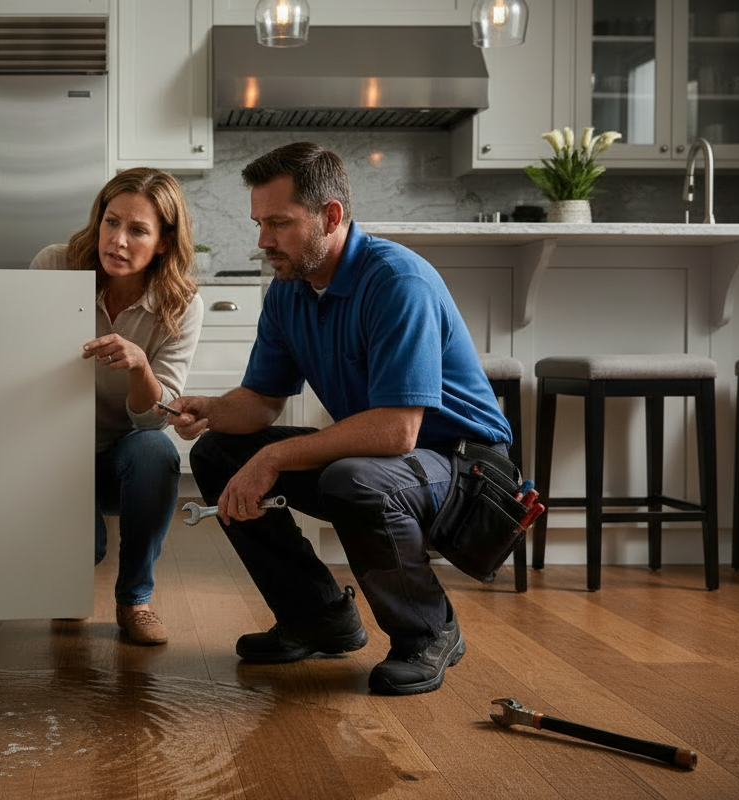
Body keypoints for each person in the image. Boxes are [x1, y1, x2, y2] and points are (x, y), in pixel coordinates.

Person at [163, 142, 512, 694]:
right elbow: (261, 400)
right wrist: (211, 410)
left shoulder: (398, 282)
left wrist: (273, 457)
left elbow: (398, 431)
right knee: (216, 452)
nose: (262, 240)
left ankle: (429, 631)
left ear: (330, 216)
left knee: (351, 478)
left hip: (467, 470)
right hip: (390, 458)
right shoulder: (288, 292)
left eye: (278, 223)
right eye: (259, 223)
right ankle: (317, 617)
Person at [31, 167, 203, 645]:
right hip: (53, 452)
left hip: (122, 459)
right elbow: (19, 361)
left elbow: (154, 419)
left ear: (165, 242)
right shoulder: (55, 266)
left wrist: (139, 367)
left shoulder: (181, 303)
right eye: (111, 222)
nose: (118, 241)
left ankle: (135, 602)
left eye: (138, 230)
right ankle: (68, 581)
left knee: (156, 451)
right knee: (86, 547)